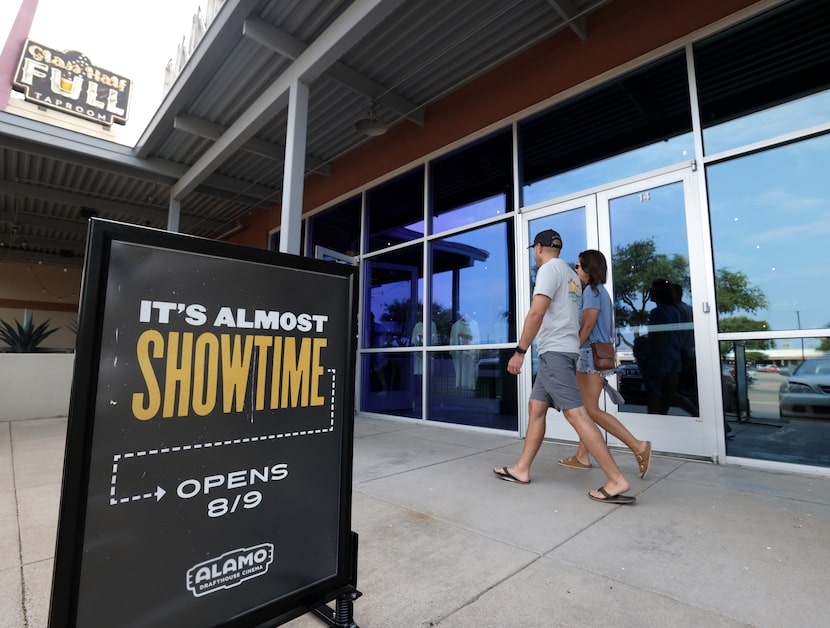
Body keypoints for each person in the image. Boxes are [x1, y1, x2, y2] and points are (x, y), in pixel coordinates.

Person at [493, 230, 635, 504]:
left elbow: (537, 312)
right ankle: (522, 468)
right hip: (563, 350)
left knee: (577, 416)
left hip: (555, 353)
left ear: (537, 248)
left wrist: (520, 351)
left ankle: (617, 479)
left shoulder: (548, 270)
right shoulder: (571, 274)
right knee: (536, 408)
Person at [557, 249, 652, 479]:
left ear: (588, 269)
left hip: (589, 354)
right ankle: (582, 455)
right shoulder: (598, 292)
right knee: (585, 408)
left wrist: (572, 351)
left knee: (589, 409)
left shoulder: (592, 291)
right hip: (593, 353)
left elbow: (588, 326)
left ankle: (638, 445)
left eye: (578, 266)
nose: (576, 269)